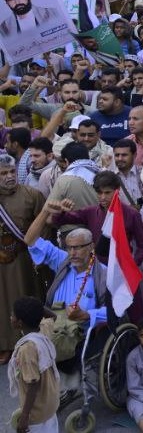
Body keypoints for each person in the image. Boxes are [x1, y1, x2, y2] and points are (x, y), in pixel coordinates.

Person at [0, 154, 46, 365]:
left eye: (11, 172)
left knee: (24, 298)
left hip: (24, 260)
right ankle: (5, 344)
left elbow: (45, 226)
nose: (9, 176)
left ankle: (29, 342)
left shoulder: (32, 195)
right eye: (3, 173)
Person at [7, 296, 60, 433]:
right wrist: (35, 306)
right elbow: (53, 316)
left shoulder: (26, 349)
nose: (10, 317)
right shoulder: (43, 331)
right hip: (50, 406)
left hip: (36, 414)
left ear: (19, 323)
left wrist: (24, 416)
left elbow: (33, 383)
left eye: (13, 315)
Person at [0, 0, 64, 39]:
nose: (17, 2)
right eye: (11, 0)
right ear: (7, 4)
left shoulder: (52, 13)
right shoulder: (4, 28)